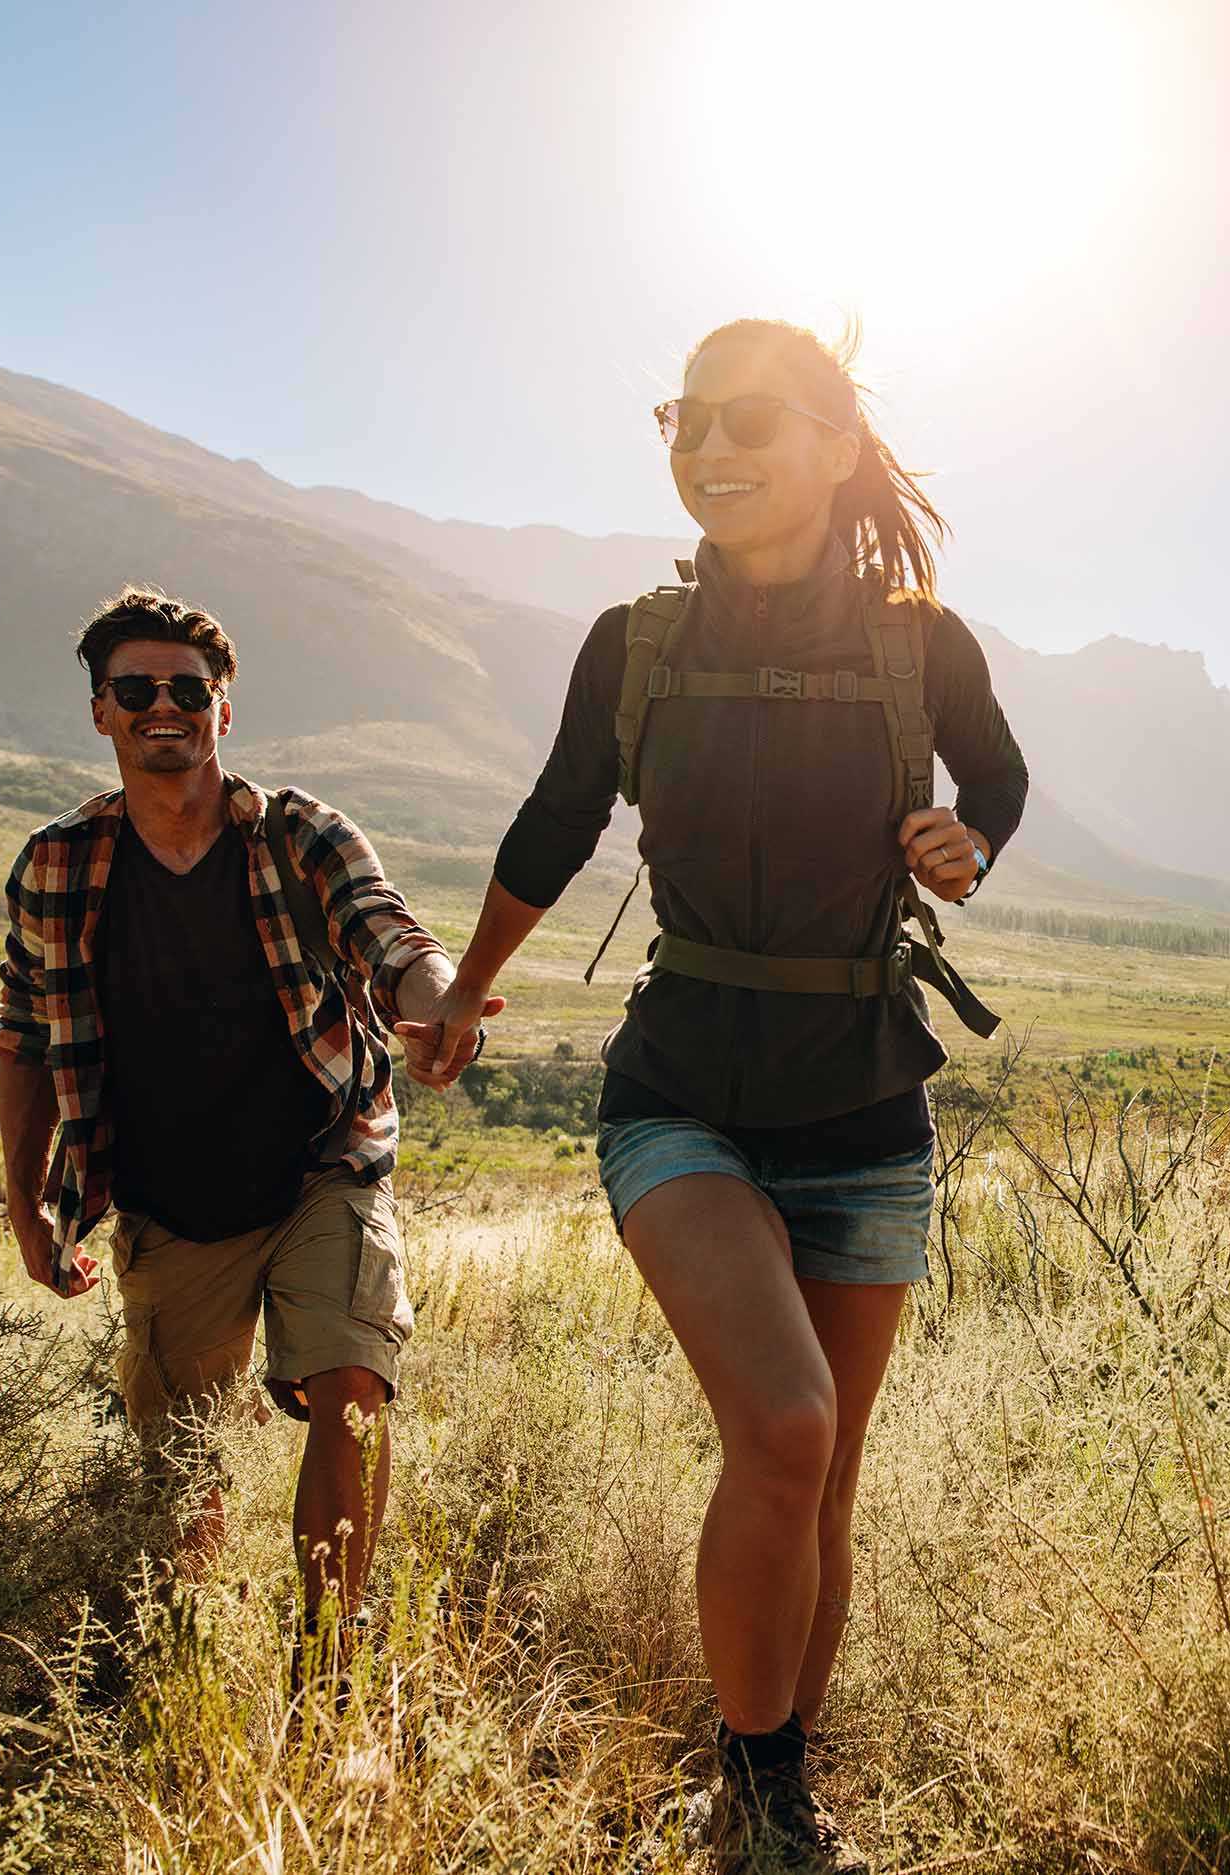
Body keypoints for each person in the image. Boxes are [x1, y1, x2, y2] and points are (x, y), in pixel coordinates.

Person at [398, 322, 1028, 1873]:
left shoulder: (921, 643)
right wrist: (470, 987)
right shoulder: (636, 643)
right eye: (688, 416)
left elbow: (997, 777)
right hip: (680, 1088)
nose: (710, 443)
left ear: (831, 442)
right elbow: (555, 817)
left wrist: (967, 839)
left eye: (753, 416)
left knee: (820, 1471)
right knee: (791, 1417)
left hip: (868, 1108)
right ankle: (753, 1794)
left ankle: (773, 1788)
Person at [0, 587, 499, 1615]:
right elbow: (27, 1039)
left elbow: (387, 931)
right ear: (101, 711)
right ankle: (189, 1647)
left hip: (324, 1161)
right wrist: (27, 1208)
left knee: (350, 1385)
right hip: (168, 1199)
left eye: (189, 688)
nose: (162, 706)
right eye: (135, 688)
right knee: (183, 1461)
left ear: (225, 709)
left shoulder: (298, 835)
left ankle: (330, 1667)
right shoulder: (60, 863)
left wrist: (437, 1002)